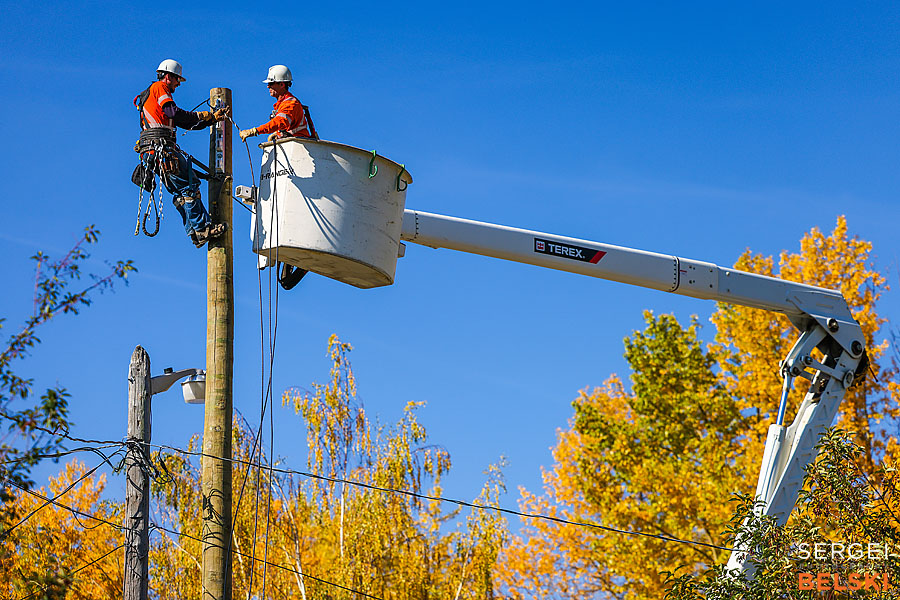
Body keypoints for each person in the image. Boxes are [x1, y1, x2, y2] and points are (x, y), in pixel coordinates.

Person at [134, 59, 229, 248]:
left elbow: (182, 121)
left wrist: (209, 119)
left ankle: (195, 233)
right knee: (189, 185)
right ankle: (202, 228)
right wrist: (203, 115)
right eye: (177, 79)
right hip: (161, 149)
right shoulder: (160, 88)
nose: (178, 84)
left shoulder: (148, 96)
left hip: (152, 151)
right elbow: (174, 113)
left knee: (180, 191)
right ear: (168, 76)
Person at [239, 65, 317, 142]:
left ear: (282, 84)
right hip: (293, 144)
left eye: (271, 83)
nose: (268, 86)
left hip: (298, 145)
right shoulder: (281, 104)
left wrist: (255, 131)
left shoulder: (290, 104)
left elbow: (279, 122)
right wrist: (278, 134)